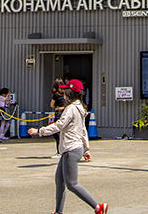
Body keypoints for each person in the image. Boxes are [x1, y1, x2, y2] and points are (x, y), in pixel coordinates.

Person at [28, 79, 108, 214]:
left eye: (65, 91)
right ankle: (58, 211)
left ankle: (98, 207)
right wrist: (86, 149)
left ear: (70, 93)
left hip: (71, 149)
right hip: (71, 149)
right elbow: (83, 130)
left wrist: (39, 131)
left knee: (72, 184)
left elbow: (59, 125)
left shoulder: (71, 109)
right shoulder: (80, 108)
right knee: (59, 180)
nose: (63, 93)